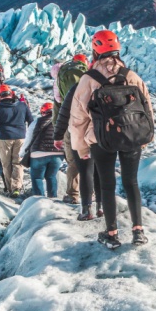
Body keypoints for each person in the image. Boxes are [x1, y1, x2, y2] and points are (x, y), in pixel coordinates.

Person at [69, 29, 154, 248]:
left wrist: (80, 148)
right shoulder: (131, 75)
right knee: (131, 182)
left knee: (107, 185)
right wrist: (144, 136)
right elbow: (146, 108)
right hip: (131, 136)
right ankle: (138, 232)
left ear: (95, 51)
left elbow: (77, 117)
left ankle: (112, 233)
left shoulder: (89, 79)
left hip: (100, 138)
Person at [54, 78, 102, 218]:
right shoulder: (108, 83)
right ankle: (101, 207)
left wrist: (58, 135)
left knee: (85, 169)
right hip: (101, 134)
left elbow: (64, 112)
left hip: (80, 134)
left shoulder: (77, 87)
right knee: (100, 170)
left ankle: (86, 210)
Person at [52, 53, 90, 202]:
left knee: (73, 161)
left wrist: (57, 131)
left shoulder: (61, 79)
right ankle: (92, 194)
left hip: (69, 124)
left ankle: (73, 194)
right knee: (91, 158)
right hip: (88, 122)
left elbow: (58, 106)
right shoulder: (90, 76)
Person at [0, 84, 33, 197]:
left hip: (4, 138)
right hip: (21, 137)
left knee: (6, 164)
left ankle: (9, 188)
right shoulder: (22, 105)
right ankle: (16, 188)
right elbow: (31, 122)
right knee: (18, 163)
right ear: (11, 93)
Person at [23, 102, 65, 197]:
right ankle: (53, 199)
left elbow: (28, 138)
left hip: (38, 153)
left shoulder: (36, 122)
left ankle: (39, 200)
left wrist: (22, 153)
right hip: (57, 153)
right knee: (51, 176)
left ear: (43, 112)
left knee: (37, 177)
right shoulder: (61, 121)